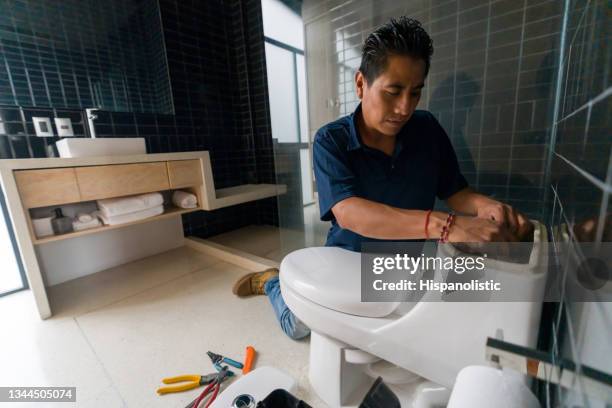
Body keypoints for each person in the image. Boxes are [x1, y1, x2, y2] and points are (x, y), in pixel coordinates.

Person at [232, 17, 533, 340]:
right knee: (300, 327)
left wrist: (486, 205)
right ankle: (275, 282)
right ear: (361, 84)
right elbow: (349, 213)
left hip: (403, 266)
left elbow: (456, 191)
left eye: (415, 93)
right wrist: (447, 226)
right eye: (393, 92)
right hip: (347, 260)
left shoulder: (427, 129)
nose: (405, 108)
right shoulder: (330, 141)